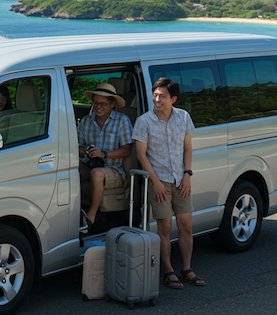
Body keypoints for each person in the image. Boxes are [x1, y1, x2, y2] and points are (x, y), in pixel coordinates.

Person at [133, 77, 205, 289]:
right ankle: (168, 271)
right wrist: (156, 183)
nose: (157, 99)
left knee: (186, 225)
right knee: (164, 227)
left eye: (162, 96)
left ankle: (186, 269)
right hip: (160, 181)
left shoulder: (183, 117)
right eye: (155, 95)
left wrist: (188, 175)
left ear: (173, 99)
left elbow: (188, 149)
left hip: (181, 179)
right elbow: (141, 155)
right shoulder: (144, 121)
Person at [77, 82, 133, 226]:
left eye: (103, 103)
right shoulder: (85, 121)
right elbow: (77, 148)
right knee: (67, 167)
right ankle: (71, 212)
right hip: (88, 164)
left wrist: (104, 154)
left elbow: (127, 150)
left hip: (114, 169)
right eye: (95, 103)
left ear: (112, 104)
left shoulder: (122, 121)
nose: (98, 107)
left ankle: (90, 218)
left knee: (97, 174)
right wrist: (83, 150)